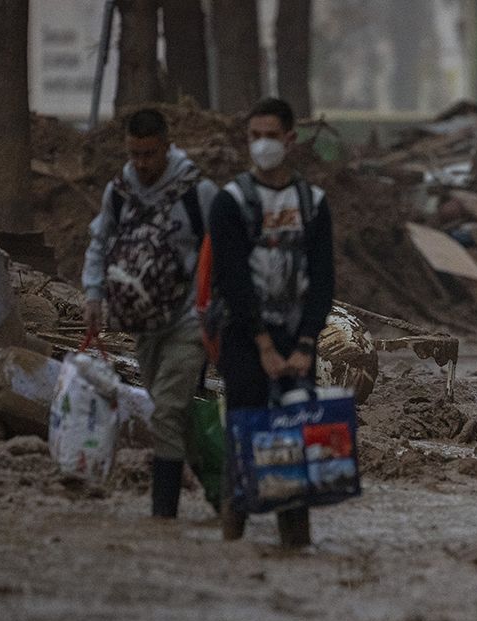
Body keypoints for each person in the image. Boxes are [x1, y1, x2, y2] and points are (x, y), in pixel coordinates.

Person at [208, 97, 337, 547]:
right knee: (243, 425)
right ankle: (234, 523)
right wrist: (262, 344)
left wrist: (304, 345)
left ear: (290, 139)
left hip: (297, 334)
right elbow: (231, 277)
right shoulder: (230, 202)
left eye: (270, 136)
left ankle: (294, 534)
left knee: (296, 429)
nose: (262, 145)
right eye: (254, 136)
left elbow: (323, 280)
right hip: (244, 335)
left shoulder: (313, 203)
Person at [81, 107, 220, 519]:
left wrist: (218, 309)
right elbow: (99, 241)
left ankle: (163, 514)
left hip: (189, 320)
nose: (141, 164)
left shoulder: (198, 192)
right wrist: (93, 293)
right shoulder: (119, 192)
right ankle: (224, 486)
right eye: (134, 154)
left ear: (167, 146)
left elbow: (227, 248)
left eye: (150, 154)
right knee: (174, 411)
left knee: (166, 411)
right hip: (142, 325)